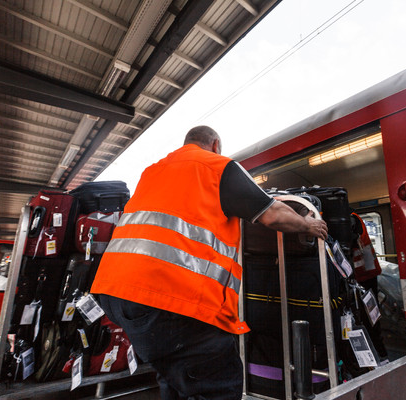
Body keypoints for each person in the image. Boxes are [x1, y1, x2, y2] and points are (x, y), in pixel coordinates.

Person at [91, 126, 327, 400]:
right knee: (220, 384)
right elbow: (272, 214)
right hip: (169, 298)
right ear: (215, 145)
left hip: (116, 294)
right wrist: (308, 224)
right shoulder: (217, 166)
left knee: (174, 376)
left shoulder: (152, 171)